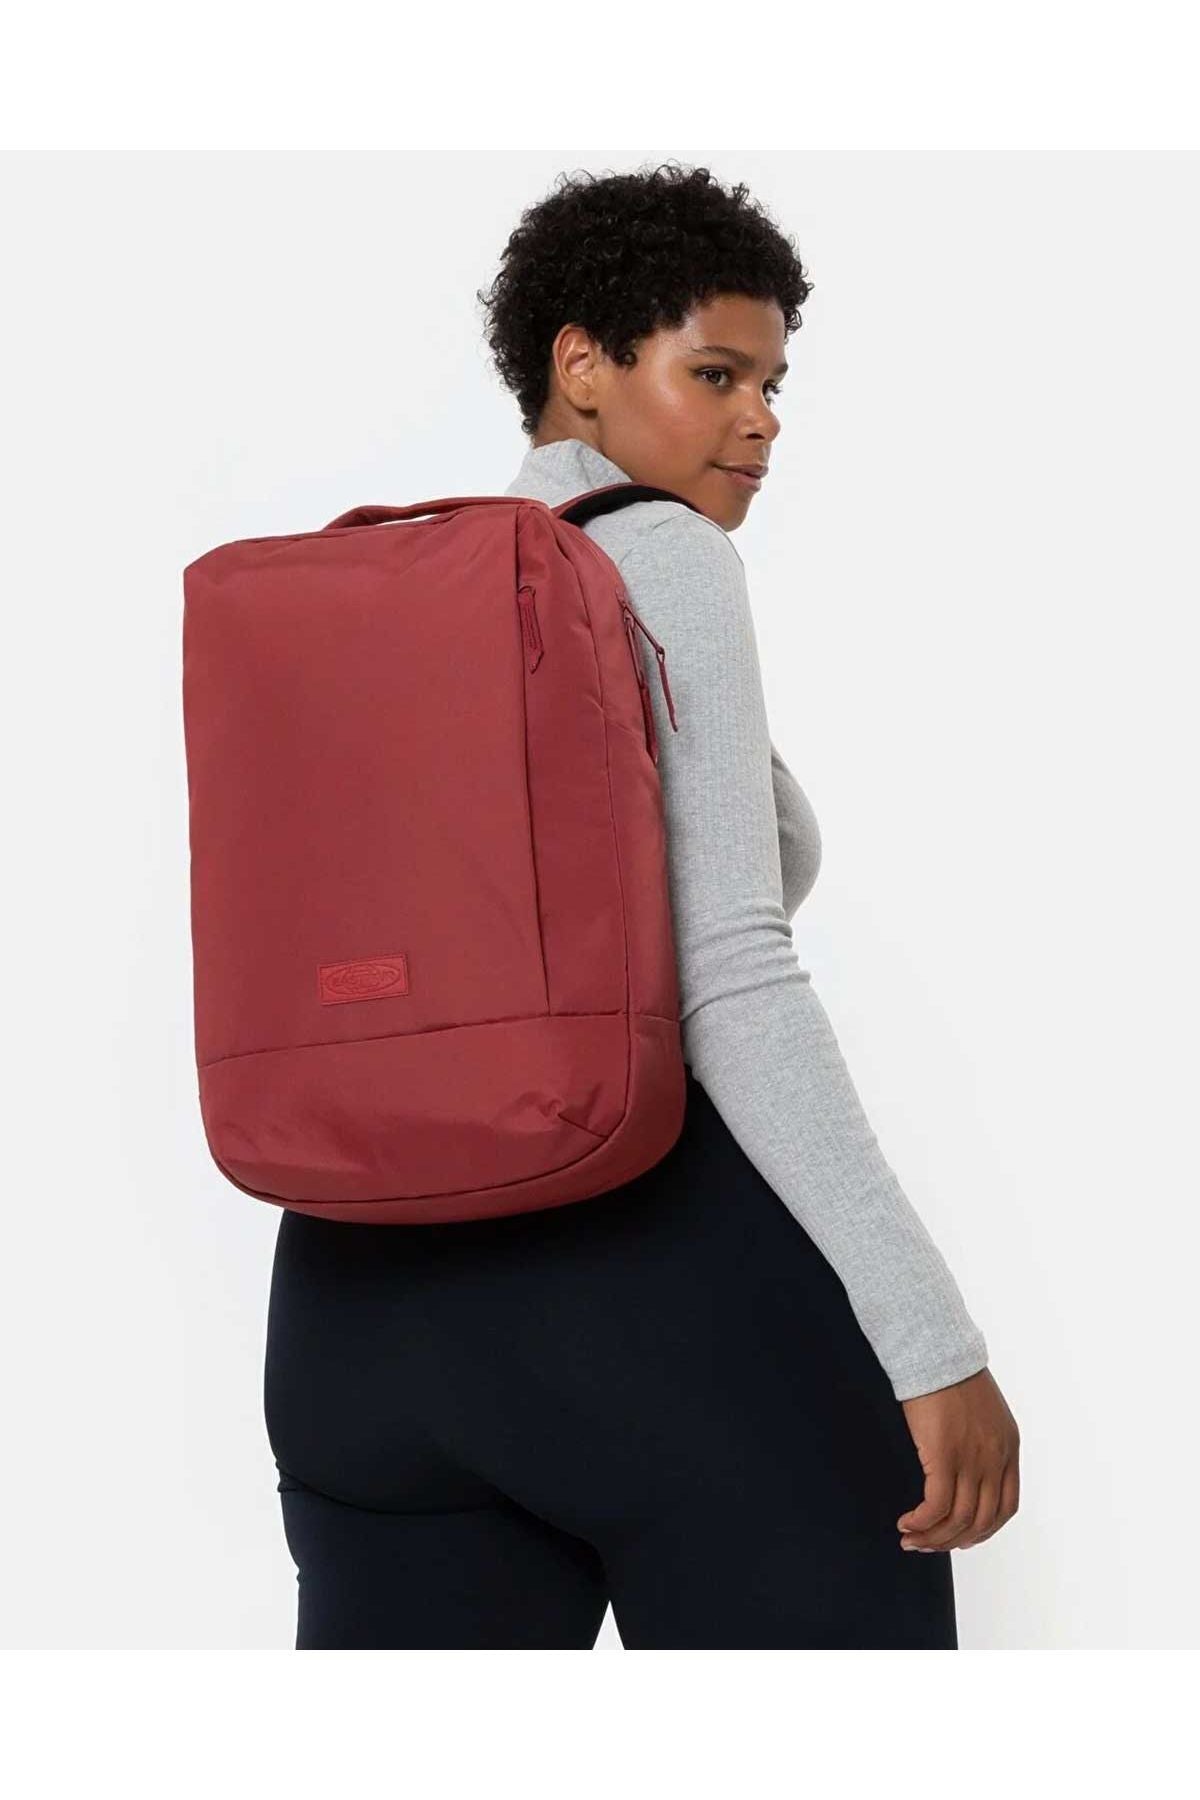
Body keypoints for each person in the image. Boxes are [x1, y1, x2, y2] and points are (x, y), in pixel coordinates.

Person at [264, 161, 1020, 1649]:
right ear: (582, 365)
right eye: (716, 373)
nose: (763, 420)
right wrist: (933, 1342)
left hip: (356, 1310)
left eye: (774, 385)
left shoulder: (386, 593)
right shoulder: (657, 551)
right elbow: (731, 968)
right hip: (643, 1284)